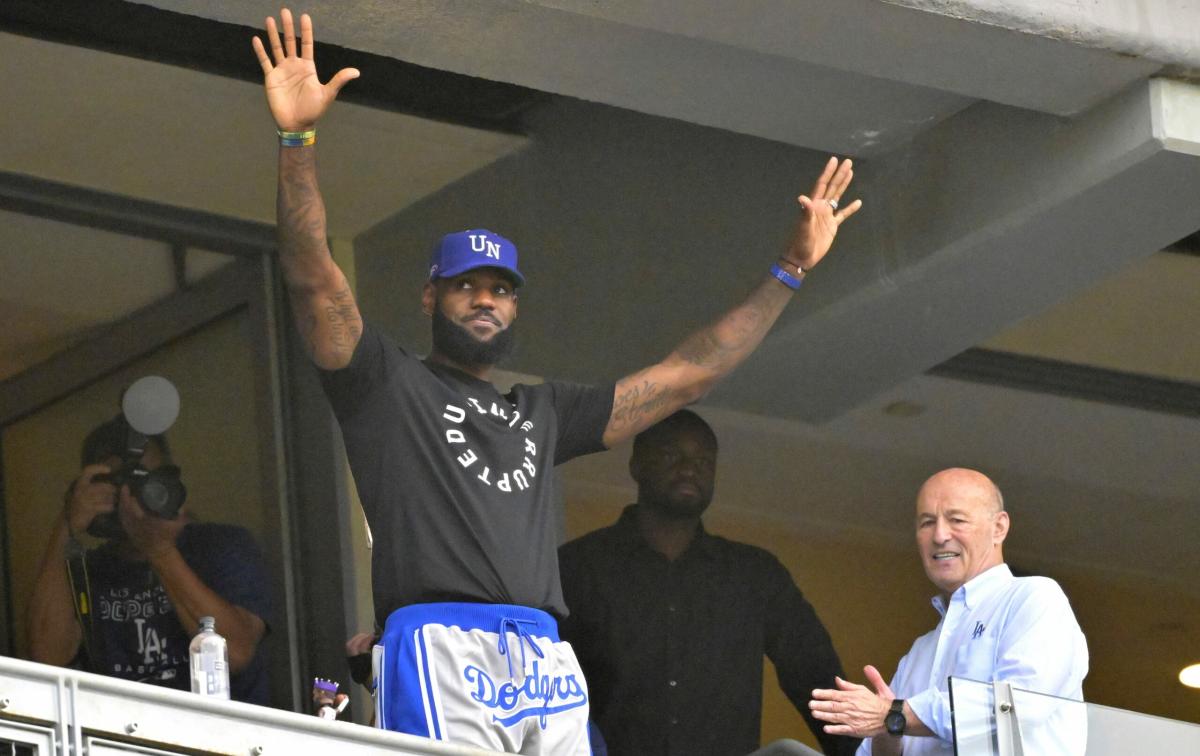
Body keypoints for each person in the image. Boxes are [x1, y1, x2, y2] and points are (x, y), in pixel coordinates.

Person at [250, 8, 861, 754]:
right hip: (442, 638)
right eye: (465, 285)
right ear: (429, 297)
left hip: (542, 654)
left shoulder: (543, 410)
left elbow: (689, 376)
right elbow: (314, 279)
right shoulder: (387, 385)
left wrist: (789, 271)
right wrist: (296, 140)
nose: (485, 299)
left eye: (500, 289)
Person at [558, 410, 858, 756]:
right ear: (636, 466)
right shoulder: (577, 567)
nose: (689, 469)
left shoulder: (755, 576)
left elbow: (816, 678)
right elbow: (537, 681)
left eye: (703, 461)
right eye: (673, 456)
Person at [808, 468, 1088, 755]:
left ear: (999, 528)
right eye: (927, 523)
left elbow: (1016, 707)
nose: (940, 535)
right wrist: (886, 730)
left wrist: (895, 714)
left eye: (957, 520)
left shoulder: (1034, 598)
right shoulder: (920, 651)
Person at [26, 416, 271, 705]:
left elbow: (237, 653)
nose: (135, 493)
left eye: (147, 478)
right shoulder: (87, 571)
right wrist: (67, 523)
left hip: (220, 739)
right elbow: (47, 657)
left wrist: (159, 550)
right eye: (121, 482)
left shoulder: (219, 545)